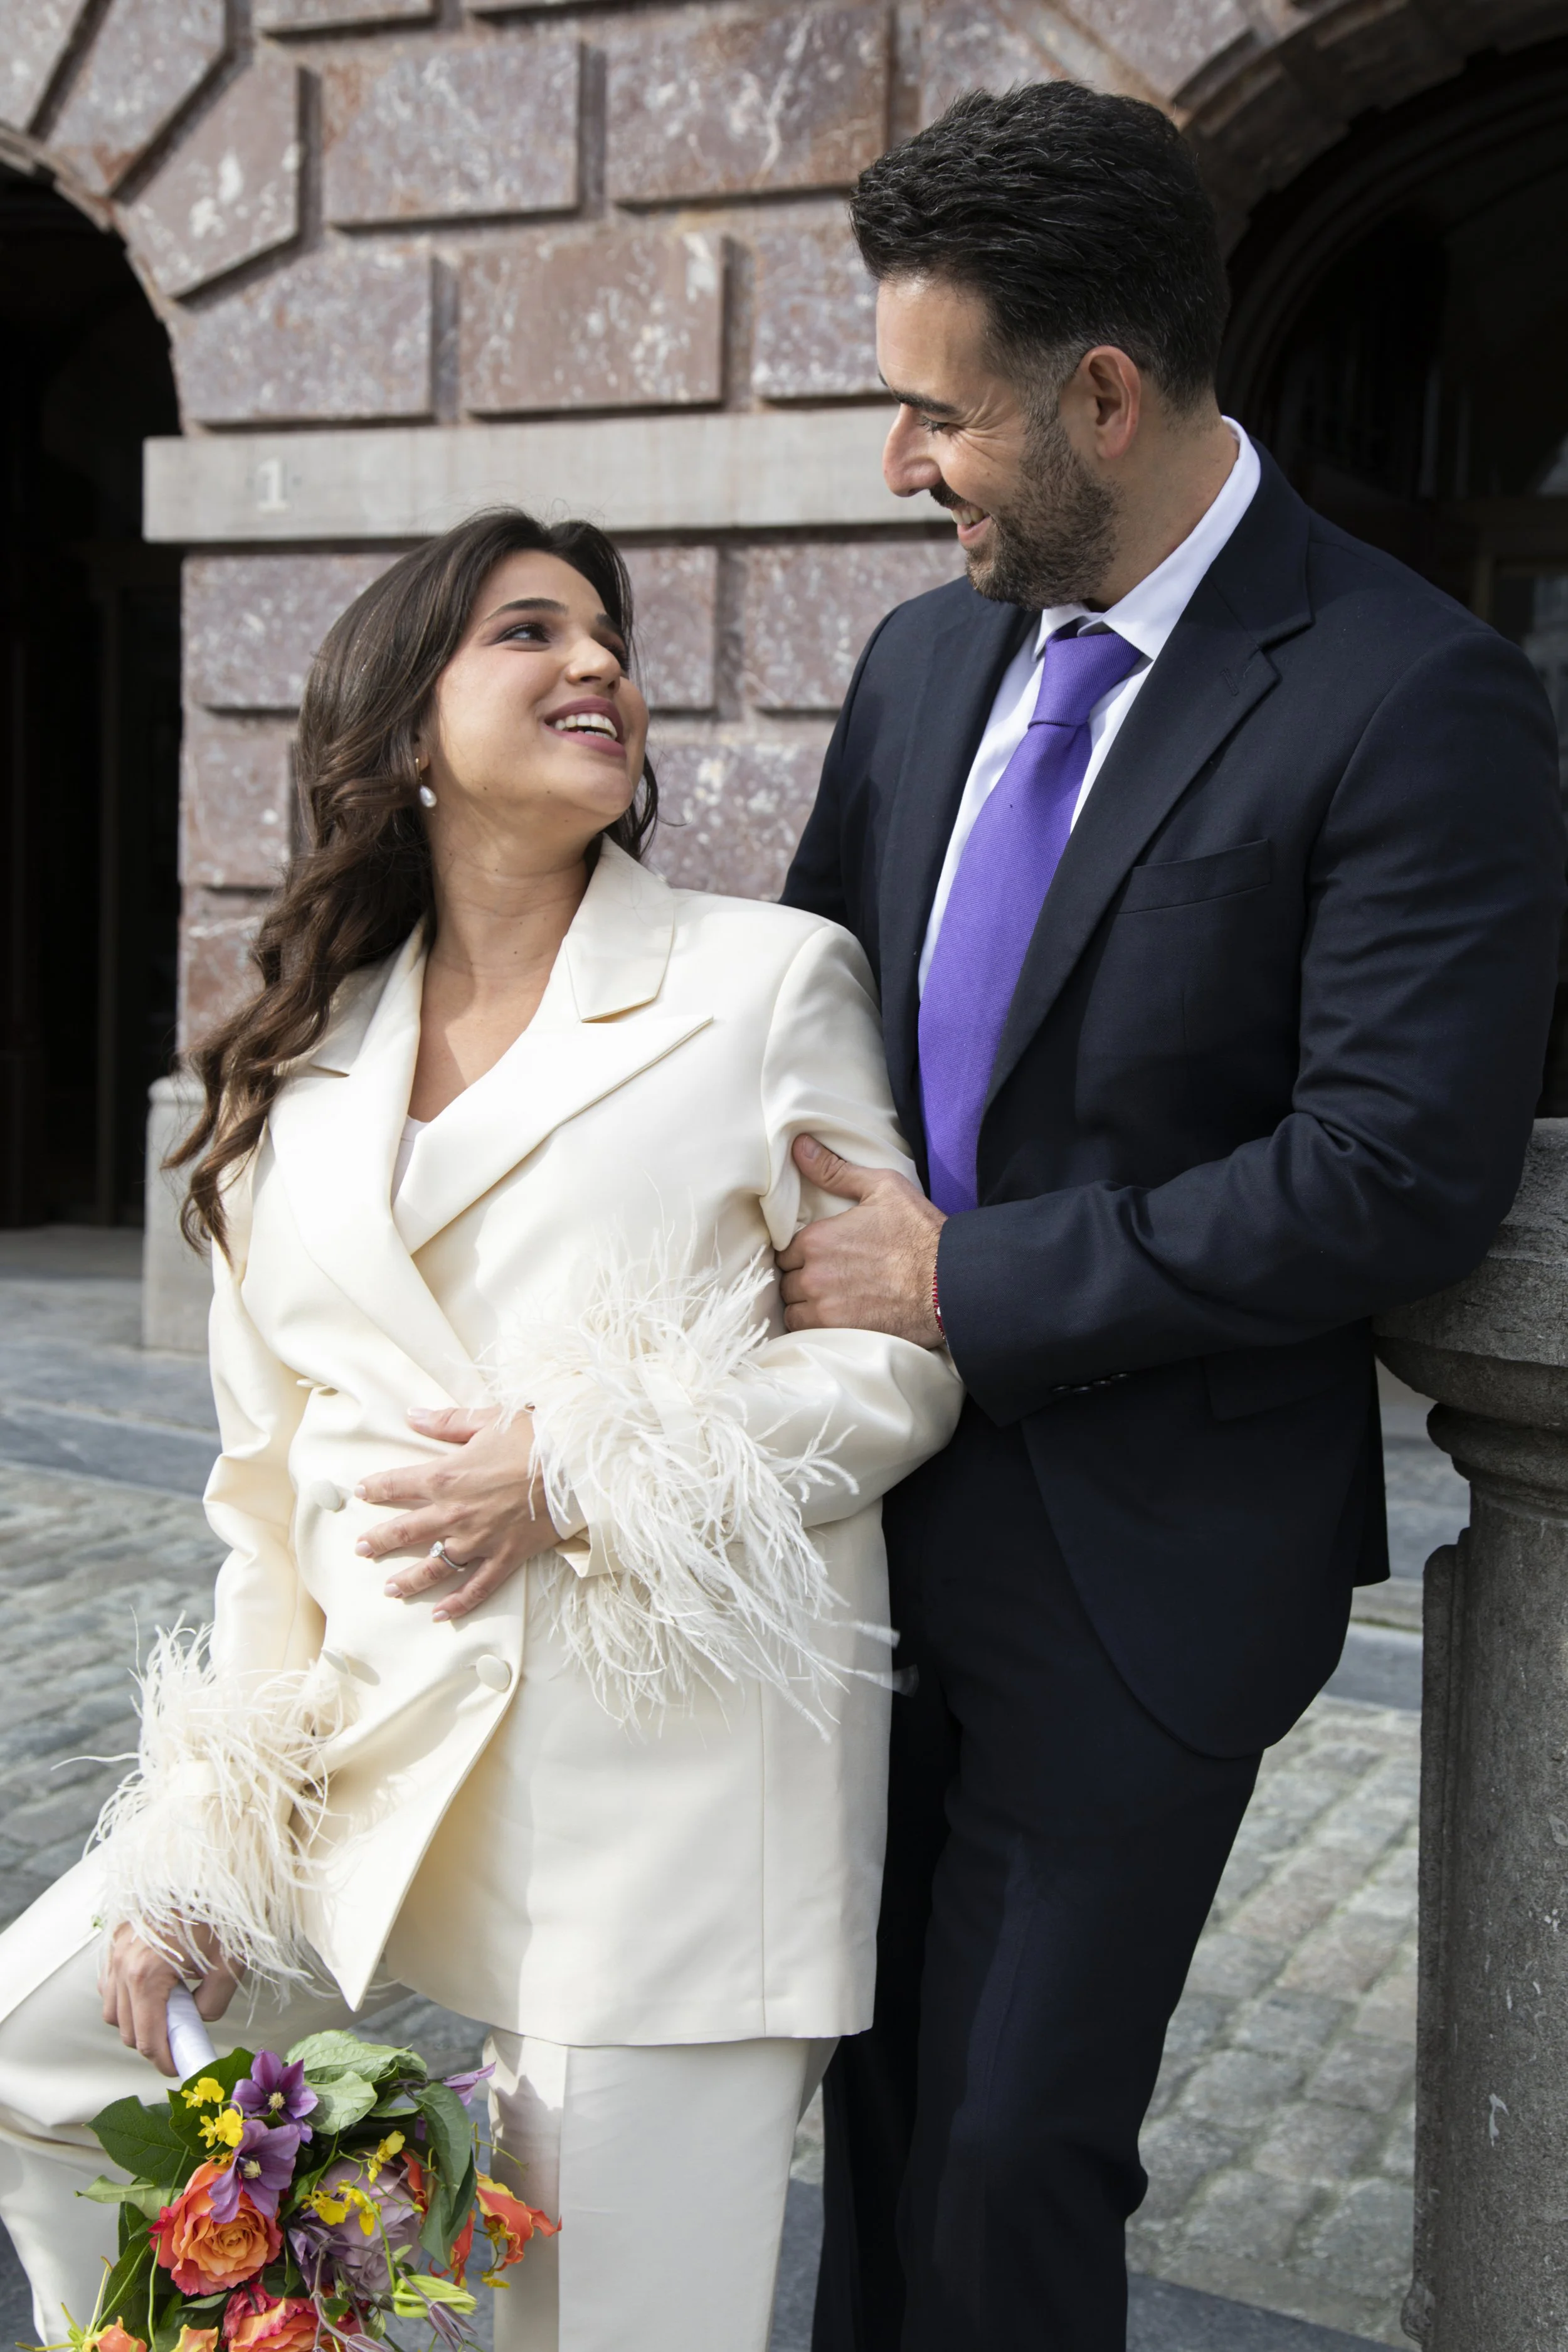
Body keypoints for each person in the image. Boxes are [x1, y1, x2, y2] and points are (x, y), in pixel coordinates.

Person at [771, 83, 1567, 2351]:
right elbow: (812, 1010)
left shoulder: (1415, 696)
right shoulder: (924, 660)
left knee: (1022, 2140)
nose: (901, 463)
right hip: (845, 1512)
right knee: (874, 2091)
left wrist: (965, 1275)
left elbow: (1392, 1168)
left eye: (936, 412)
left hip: (1144, 1555)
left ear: (1099, 393)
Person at [0, 509, 961, 2352]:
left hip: (663, 1809)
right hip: (358, 1774)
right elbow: (265, 1505)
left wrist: (580, 1469)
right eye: (530, 631)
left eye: (609, 637)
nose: (598, 663)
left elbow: (896, 1365)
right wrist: (202, 1847)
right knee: (48, 2053)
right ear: (398, 736)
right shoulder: (294, 1065)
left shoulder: (763, 983)